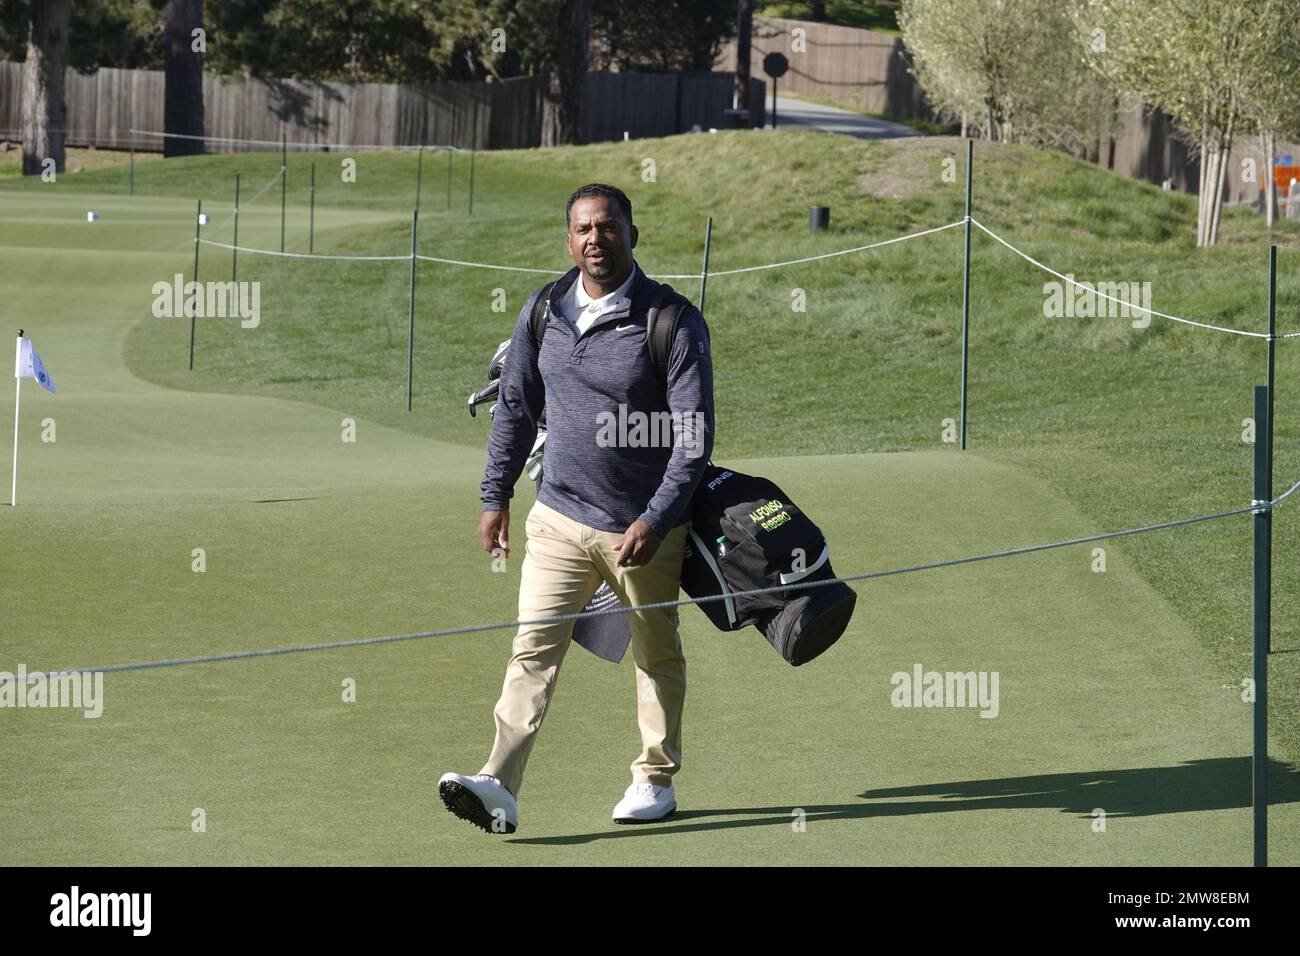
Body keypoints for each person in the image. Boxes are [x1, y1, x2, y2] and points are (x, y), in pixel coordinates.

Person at [438, 183, 715, 833]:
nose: (596, 238)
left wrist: (657, 516)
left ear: (631, 233)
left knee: (655, 652)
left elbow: (694, 437)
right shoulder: (543, 311)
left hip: (644, 529)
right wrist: (494, 496)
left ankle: (655, 777)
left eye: (609, 226)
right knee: (532, 647)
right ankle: (498, 785)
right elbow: (514, 406)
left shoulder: (671, 321)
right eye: (584, 228)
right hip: (559, 515)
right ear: (570, 240)